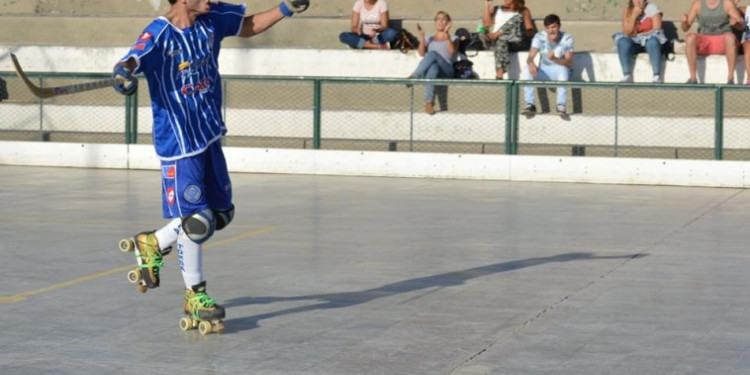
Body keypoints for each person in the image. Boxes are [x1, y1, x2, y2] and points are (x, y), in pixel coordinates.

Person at [111, 0, 309, 329]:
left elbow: (249, 26)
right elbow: (134, 57)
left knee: (220, 215)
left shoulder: (211, 18)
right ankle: (195, 295)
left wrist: (287, 7)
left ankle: (154, 243)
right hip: (180, 143)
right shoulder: (159, 34)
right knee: (198, 221)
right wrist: (123, 71)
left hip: (208, 133)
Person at [520, 14, 574, 116]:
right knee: (527, 69)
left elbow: (569, 62)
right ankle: (530, 104)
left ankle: (561, 105)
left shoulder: (567, 38)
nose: (551, 30)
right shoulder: (539, 37)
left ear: (559, 26)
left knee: (563, 69)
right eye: (548, 28)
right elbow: (530, 57)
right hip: (544, 71)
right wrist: (531, 63)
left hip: (560, 72)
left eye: (554, 27)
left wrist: (554, 59)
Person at [406, 11, 458, 115]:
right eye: (438, 19)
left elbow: (452, 51)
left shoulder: (453, 38)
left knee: (433, 54)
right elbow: (421, 53)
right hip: (435, 70)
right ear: (435, 22)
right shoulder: (429, 38)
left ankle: (415, 76)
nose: (441, 22)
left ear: (448, 22)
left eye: (443, 19)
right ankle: (429, 103)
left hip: (446, 70)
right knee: (433, 67)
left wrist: (447, 34)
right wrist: (421, 37)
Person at [681, 0, 743, 84]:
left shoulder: (727, 3)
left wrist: (736, 23)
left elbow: (741, 25)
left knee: (730, 37)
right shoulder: (697, 4)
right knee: (690, 38)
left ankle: (730, 78)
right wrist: (684, 22)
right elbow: (685, 28)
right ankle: (693, 78)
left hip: (722, 40)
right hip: (705, 41)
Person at [613, 0, 668, 83]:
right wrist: (634, 16)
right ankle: (626, 74)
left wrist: (641, 35)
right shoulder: (627, 10)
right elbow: (626, 32)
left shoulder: (652, 8)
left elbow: (657, 28)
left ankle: (656, 75)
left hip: (649, 40)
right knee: (622, 42)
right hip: (634, 41)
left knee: (652, 42)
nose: (638, 1)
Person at [482, 0, 535, 79]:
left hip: (515, 41)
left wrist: (507, 30)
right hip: (498, 42)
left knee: (516, 18)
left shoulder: (523, 10)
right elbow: (486, 25)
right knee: (501, 39)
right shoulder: (497, 9)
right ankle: (500, 72)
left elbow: (529, 30)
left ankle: (497, 34)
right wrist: (487, 6)